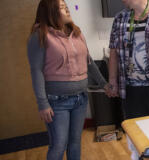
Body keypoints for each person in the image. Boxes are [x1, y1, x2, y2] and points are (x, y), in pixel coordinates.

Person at [27, 0, 110, 159]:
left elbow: (89, 62)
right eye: (62, 8)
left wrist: (103, 84)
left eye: (67, 7)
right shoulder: (40, 36)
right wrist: (42, 104)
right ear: (51, 12)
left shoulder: (76, 33)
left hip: (80, 98)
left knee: (75, 142)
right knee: (58, 145)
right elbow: (36, 71)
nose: (67, 10)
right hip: (56, 102)